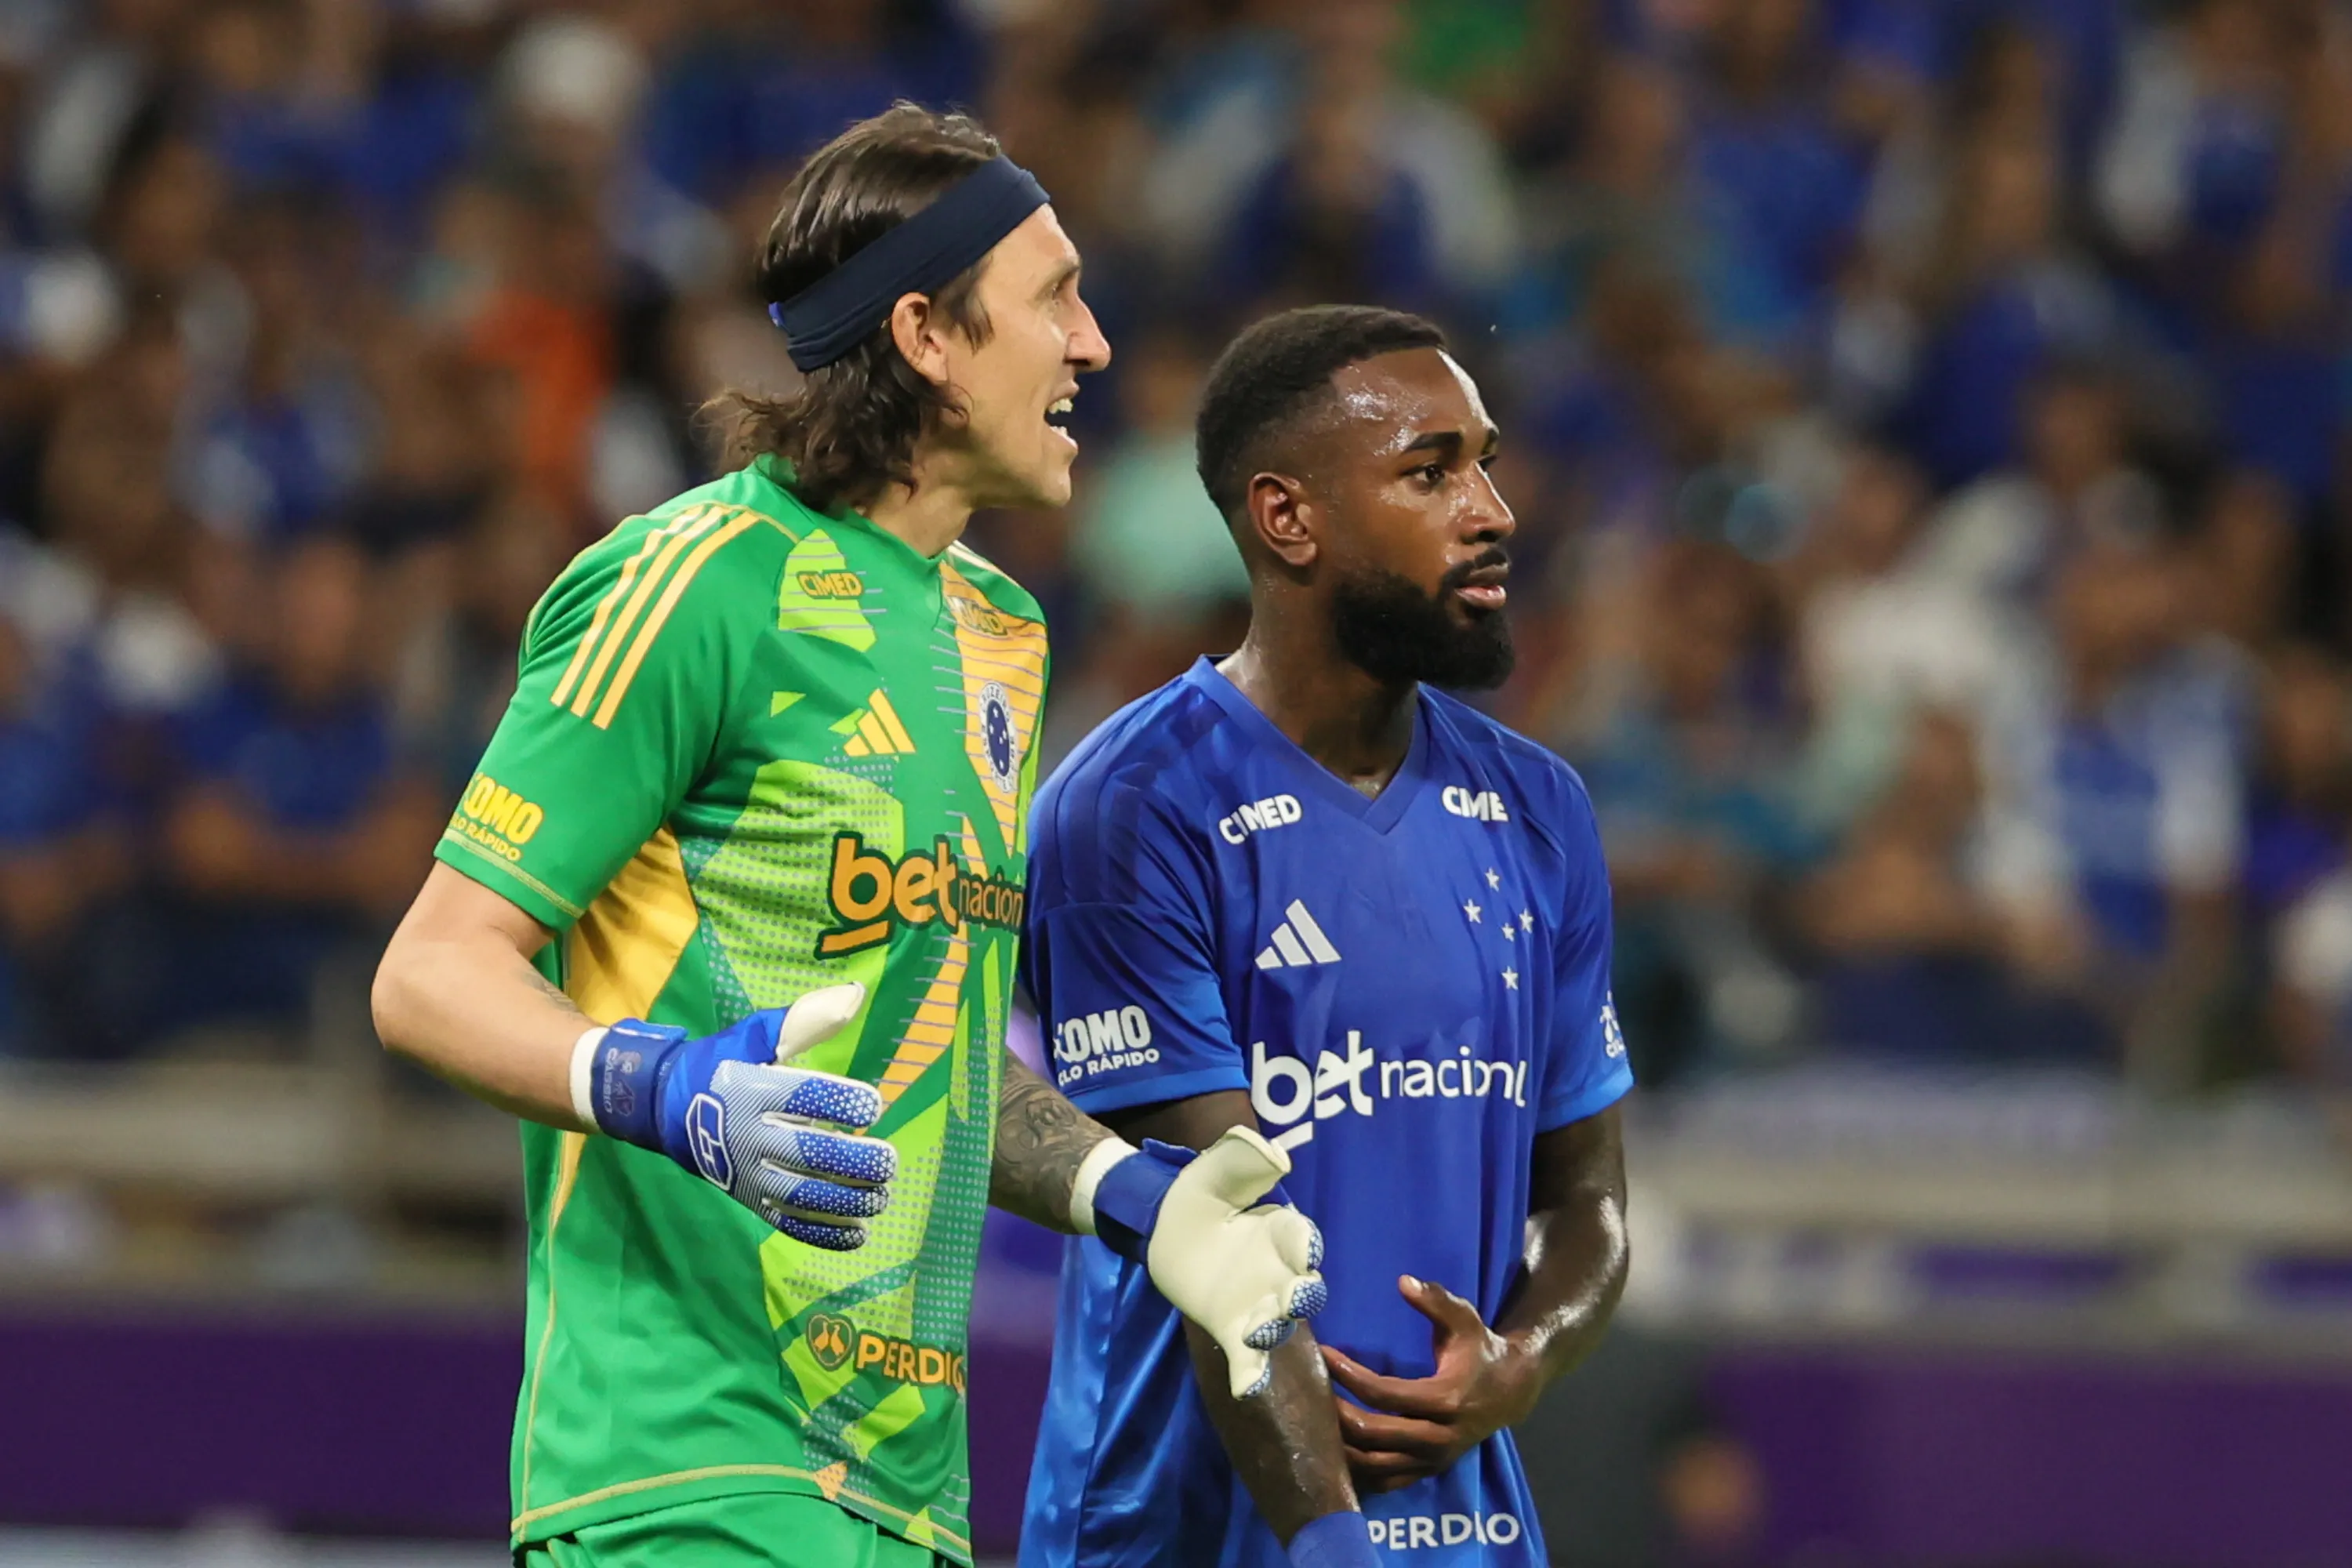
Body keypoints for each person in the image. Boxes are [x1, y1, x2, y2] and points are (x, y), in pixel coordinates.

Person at [371, 107, 1326, 1568]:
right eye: (1055, 297)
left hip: (910, 1496)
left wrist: (1135, 1197)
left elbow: (934, 1045)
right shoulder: (691, 583)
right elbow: (430, 975)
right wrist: (667, 1085)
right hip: (684, 1475)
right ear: (927, 337)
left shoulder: (1001, 634)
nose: (1093, 344)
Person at [1019, 305, 1635, 1568]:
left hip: (1460, 1534)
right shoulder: (1135, 807)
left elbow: (1588, 1201)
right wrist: (1332, 1545)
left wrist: (1523, 1356)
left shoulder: (1539, 810)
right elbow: (1224, 1231)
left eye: (1484, 463)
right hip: (1179, 1536)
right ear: (1286, 518)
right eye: (1429, 472)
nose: (1493, 511)